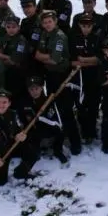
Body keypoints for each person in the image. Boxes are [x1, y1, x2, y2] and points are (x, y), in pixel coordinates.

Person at [35, 10, 81, 155]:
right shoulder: (45, 34)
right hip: (50, 76)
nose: (47, 24)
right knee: (54, 108)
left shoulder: (59, 37)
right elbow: (36, 55)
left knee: (66, 110)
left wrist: (43, 57)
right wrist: (45, 57)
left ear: (55, 21)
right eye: (45, 22)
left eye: (50, 21)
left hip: (62, 76)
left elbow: (54, 60)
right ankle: (59, 139)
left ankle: (75, 142)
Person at [17, 76, 68, 164]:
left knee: (61, 131)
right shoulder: (24, 103)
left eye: (37, 88)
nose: (34, 91)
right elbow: (20, 120)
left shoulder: (49, 101)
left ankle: (58, 150)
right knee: (34, 154)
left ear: (41, 88)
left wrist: (40, 117)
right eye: (31, 89)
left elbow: (56, 121)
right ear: (28, 90)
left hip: (49, 128)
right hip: (34, 131)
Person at [69, 13, 101, 144]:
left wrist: (83, 60)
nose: (86, 28)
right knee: (80, 104)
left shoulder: (97, 39)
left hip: (94, 77)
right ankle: (84, 129)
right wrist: (89, 61)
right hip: (79, 77)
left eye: (88, 26)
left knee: (93, 104)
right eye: (83, 26)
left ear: (92, 26)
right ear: (79, 25)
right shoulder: (73, 39)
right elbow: (72, 61)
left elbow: (99, 59)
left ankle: (91, 131)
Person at [0, 16, 28, 103]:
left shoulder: (21, 40)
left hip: (18, 74)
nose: (11, 29)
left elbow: (15, 60)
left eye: (14, 27)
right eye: (8, 27)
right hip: (5, 74)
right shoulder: (4, 38)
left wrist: (0, 55)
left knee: (17, 98)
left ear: (18, 27)